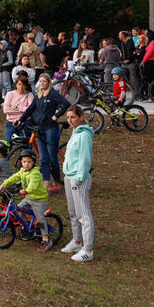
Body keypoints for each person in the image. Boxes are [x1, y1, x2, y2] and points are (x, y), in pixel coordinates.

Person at [17, 73, 70, 193]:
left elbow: (66, 104)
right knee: (44, 159)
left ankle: (56, 183)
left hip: (51, 129)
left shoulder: (53, 94)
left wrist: (56, 115)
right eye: (40, 82)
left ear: (49, 83)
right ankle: (46, 182)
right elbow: (30, 109)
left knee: (52, 158)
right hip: (40, 130)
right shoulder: (37, 95)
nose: (42, 84)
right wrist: (20, 120)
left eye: (44, 82)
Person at [0, 148, 53, 251]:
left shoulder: (35, 173)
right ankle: (26, 226)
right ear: (21, 162)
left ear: (33, 163)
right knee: (18, 209)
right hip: (29, 197)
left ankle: (46, 240)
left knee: (41, 220)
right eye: (24, 161)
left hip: (39, 199)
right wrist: (5, 183)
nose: (26, 164)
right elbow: (15, 177)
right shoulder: (22, 171)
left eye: (29, 162)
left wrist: (26, 190)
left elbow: (33, 185)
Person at [61, 104, 95, 261]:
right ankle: (77, 240)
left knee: (83, 214)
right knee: (73, 212)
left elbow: (84, 158)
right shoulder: (75, 132)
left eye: (73, 117)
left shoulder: (84, 135)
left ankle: (88, 249)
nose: (70, 120)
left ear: (81, 117)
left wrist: (79, 177)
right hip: (69, 176)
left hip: (78, 178)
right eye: (68, 118)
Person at [3, 74, 33, 144]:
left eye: (23, 85)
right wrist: (24, 110)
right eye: (19, 84)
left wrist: (16, 108)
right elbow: (6, 110)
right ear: (16, 84)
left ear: (26, 86)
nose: (21, 87)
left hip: (25, 123)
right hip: (11, 123)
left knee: (25, 146)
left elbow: (30, 109)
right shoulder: (9, 94)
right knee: (6, 145)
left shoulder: (29, 95)